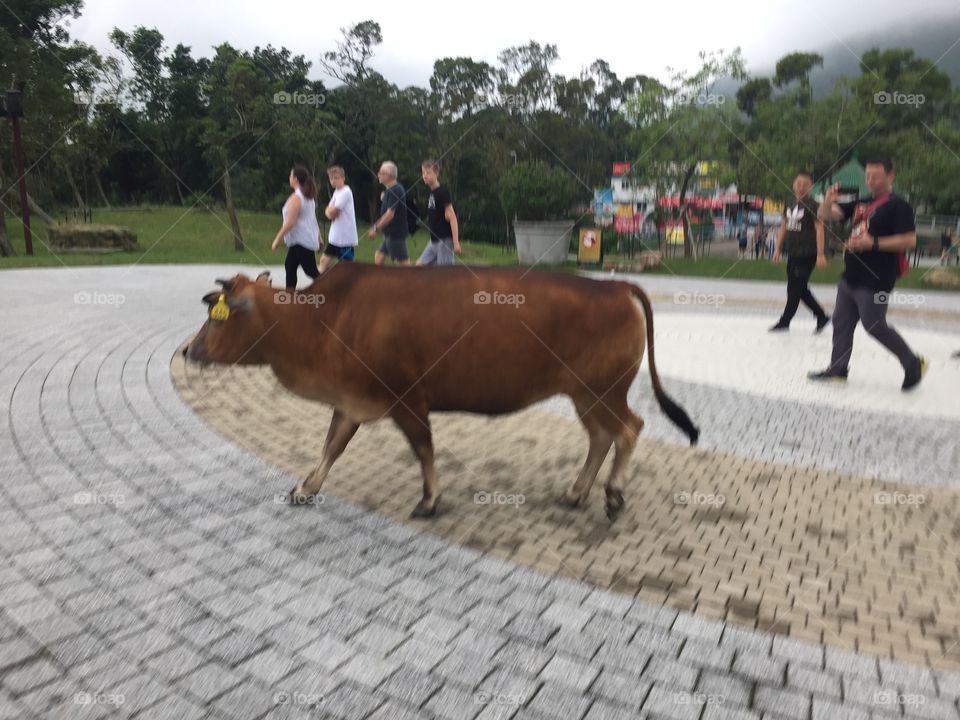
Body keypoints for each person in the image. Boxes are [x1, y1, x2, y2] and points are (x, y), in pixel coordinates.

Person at [809, 158, 926, 391]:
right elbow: (827, 215)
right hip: (851, 275)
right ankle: (838, 368)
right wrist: (827, 202)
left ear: (890, 176)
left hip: (876, 278)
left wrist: (873, 243)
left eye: (876, 176)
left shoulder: (898, 205)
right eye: (868, 176)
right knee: (841, 322)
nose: (870, 180)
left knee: (874, 325)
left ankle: (913, 363)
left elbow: (909, 240)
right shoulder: (861, 201)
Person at [770, 171, 830, 333]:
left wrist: (820, 254)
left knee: (796, 288)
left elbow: (820, 229)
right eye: (799, 183)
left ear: (811, 186)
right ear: (793, 184)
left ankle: (785, 321)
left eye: (805, 184)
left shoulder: (814, 205)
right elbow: (783, 227)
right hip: (792, 252)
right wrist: (777, 248)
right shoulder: (789, 204)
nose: (801, 187)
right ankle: (821, 316)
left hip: (807, 252)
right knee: (797, 288)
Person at [271, 165, 320, 289]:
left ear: (296, 179)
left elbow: (290, 222)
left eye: (291, 175)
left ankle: (334, 291)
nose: (289, 178)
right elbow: (312, 220)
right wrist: (318, 237)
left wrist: (277, 239)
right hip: (302, 239)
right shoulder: (308, 197)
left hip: (301, 239)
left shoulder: (297, 198)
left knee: (311, 271)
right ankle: (290, 295)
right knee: (290, 265)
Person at [417, 159, 461, 266]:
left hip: (444, 240)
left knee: (444, 276)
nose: (425, 175)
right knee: (419, 265)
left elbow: (452, 217)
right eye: (423, 173)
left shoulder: (443, 192)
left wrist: (456, 243)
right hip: (434, 240)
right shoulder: (432, 193)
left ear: (436, 173)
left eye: (428, 173)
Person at [368, 161, 409, 265]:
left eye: (381, 172)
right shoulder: (391, 190)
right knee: (379, 256)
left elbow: (390, 214)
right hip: (389, 234)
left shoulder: (394, 190)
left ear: (389, 175)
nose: (378, 175)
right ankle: (379, 280)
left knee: (405, 265)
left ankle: (414, 281)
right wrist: (384, 197)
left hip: (395, 235)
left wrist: (375, 228)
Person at [320, 165, 358, 272]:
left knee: (347, 267)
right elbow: (328, 211)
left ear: (343, 178)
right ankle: (320, 285)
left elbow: (333, 211)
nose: (333, 181)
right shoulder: (336, 192)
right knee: (324, 261)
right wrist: (329, 212)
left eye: (336, 178)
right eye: (331, 178)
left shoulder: (346, 192)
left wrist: (330, 212)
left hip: (345, 238)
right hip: (335, 237)